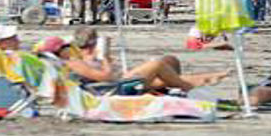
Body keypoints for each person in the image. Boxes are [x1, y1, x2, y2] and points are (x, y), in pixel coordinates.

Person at [66, 26, 230, 92]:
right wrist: (106, 59)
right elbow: (106, 78)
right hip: (116, 87)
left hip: (123, 78)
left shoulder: (91, 56)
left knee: (170, 60)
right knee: (156, 64)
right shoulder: (76, 61)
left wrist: (104, 58)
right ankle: (189, 84)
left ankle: (185, 83)